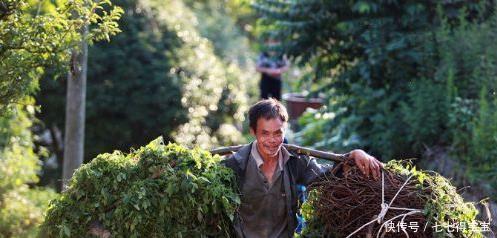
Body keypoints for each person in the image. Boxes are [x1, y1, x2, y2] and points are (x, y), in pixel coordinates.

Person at [223, 98, 383, 238]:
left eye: (278, 133)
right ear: (253, 132)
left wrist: (354, 155)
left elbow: (325, 177)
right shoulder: (236, 165)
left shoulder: (295, 161)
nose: (272, 140)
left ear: (284, 130)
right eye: (265, 134)